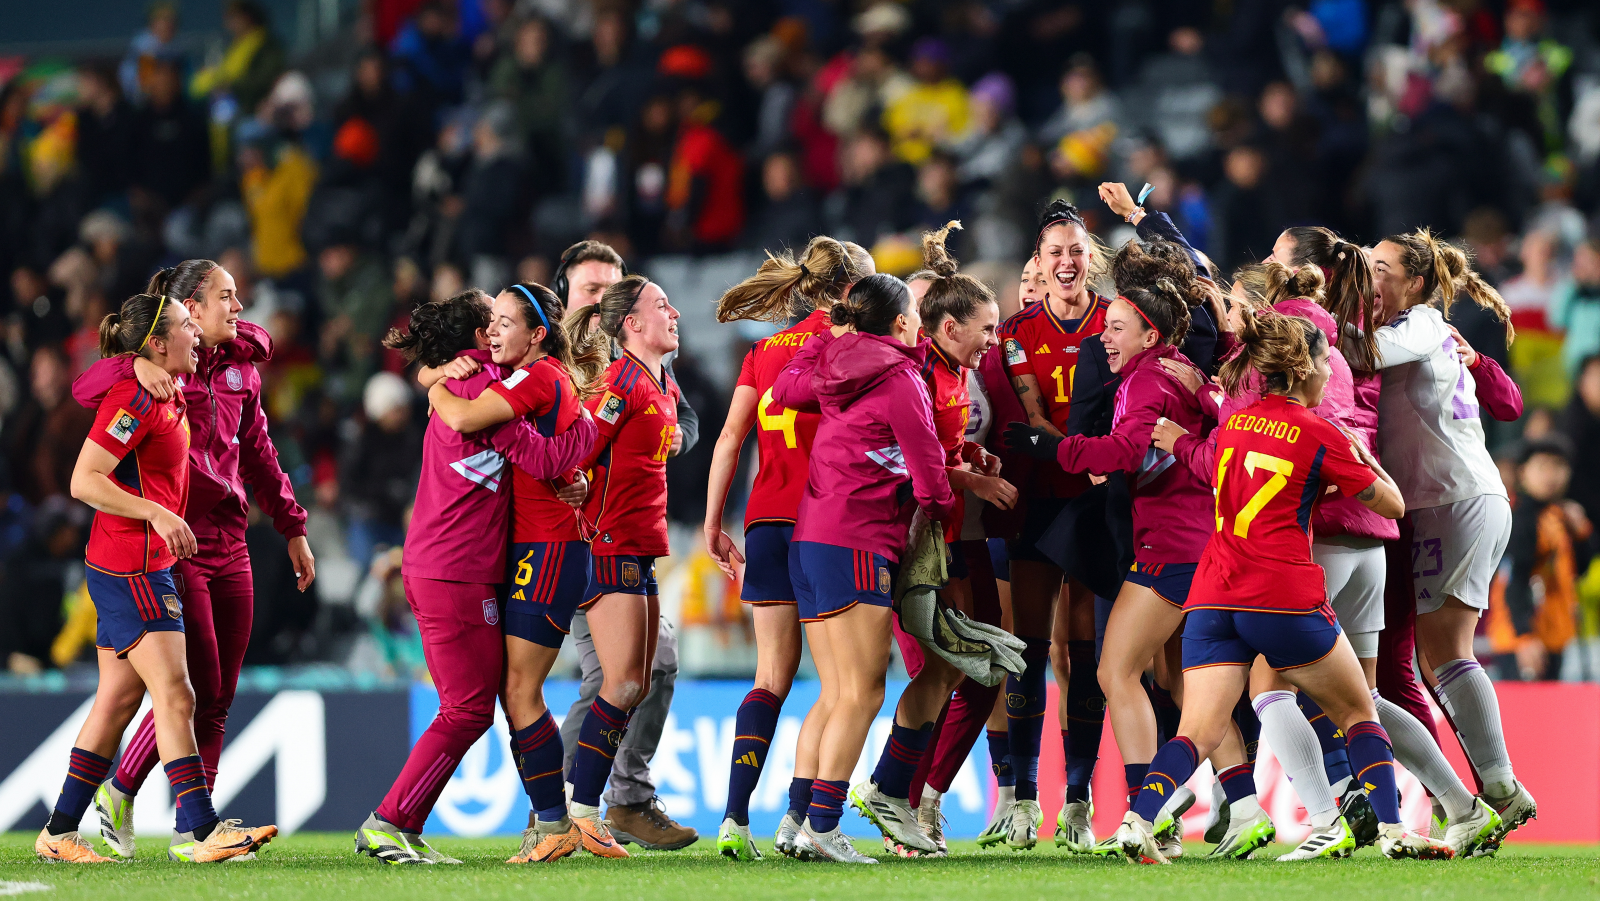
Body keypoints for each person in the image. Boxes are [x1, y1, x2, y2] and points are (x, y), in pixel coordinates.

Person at [1120, 307, 1453, 864]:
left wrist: (1179, 442)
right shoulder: (1321, 432)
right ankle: (1395, 831)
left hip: (1213, 595)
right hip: (1282, 596)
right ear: (1305, 370)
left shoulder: (1236, 422)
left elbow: (1213, 467)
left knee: (1197, 732)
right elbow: (1391, 506)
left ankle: (1137, 821)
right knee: (1357, 714)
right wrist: (1362, 459)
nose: (1332, 373)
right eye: (1328, 363)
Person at [71, 260, 312, 860]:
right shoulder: (153, 376)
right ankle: (189, 824)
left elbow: (257, 453)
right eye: (226, 297)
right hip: (174, 545)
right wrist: (135, 363)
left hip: (231, 540)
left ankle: (137, 800)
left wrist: (292, 526)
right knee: (187, 687)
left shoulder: (241, 372)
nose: (239, 307)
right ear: (189, 311)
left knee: (218, 691)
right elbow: (85, 389)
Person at [1005, 280, 1245, 857]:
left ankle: (1146, 810)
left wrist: (1053, 449)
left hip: (1172, 545)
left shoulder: (1144, 379)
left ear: (1149, 333)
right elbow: (1221, 417)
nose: (1104, 337)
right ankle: (1247, 806)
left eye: (1116, 328)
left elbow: (1125, 451)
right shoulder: (1187, 371)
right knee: (1186, 684)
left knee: (1117, 671)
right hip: (1200, 538)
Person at [355, 291, 596, 865]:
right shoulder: (481, 389)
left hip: (454, 567)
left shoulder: (472, 383)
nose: (499, 330)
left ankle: (412, 824)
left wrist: (430, 373)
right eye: (493, 321)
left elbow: (439, 384)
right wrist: (590, 428)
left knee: (487, 701)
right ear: (480, 337)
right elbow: (539, 459)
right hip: (452, 570)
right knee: (468, 707)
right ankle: (389, 822)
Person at [770, 274, 956, 863]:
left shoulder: (833, 362)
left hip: (812, 538)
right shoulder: (902, 380)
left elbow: (788, 388)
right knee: (863, 691)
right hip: (858, 541)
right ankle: (824, 826)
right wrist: (942, 514)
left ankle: (797, 821)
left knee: (834, 692)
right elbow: (930, 476)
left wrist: (820, 339)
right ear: (902, 324)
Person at [704, 237, 873, 861]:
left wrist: (712, 520)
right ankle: (802, 820)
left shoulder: (762, 352)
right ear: (853, 289)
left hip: (764, 521)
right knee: (840, 685)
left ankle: (733, 818)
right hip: (827, 525)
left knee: (770, 677)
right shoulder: (853, 348)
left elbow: (729, 438)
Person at [1368, 229, 1536, 847]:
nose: (1369, 276)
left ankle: (1498, 789)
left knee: (1446, 651)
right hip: (1449, 500)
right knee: (1434, 656)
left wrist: (1301, 330)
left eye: (1381, 267)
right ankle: (1485, 791)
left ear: (1415, 282)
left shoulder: (1418, 324)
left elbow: (1370, 356)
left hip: (1450, 499)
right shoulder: (1428, 331)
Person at [422, 282, 593, 864]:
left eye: (504, 321)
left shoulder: (537, 377)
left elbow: (467, 415)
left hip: (547, 551)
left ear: (537, 334)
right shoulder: (536, 380)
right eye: (489, 320)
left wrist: (437, 385)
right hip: (535, 550)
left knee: (520, 691)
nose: (491, 331)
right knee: (515, 691)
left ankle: (553, 825)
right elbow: (559, 456)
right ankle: (551, 823)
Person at [860, 224, 1014, 858]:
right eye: (986, 327)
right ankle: (883, 797)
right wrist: (969, 480)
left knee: (973, 666)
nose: (994, 340)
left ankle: (905, 794)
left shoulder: (951, 374)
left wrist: (966, 454)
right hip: (903, 536)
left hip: (940, 536)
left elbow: (934, 445)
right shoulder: (915, 373)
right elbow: (900, 451)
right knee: (933, 667)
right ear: (946, 327)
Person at [551, 242, 700, 850]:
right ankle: (572, 810)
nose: (676, 313)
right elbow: (576, 445)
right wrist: (570, 481)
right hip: (602, 543)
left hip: (638, 547)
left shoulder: (655, 378)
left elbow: (678, 425)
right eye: (662, 305)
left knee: (636, 681)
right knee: (617, 684)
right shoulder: (614, 380)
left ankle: (587, 810)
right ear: (631, 322)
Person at [989, 200, 1111, 850]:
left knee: (1085, 654)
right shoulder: (1014, 332)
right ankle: (1023, 796)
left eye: (1075, 250)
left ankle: (1081, 801)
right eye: (1054, 252)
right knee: (1029, 648)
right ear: (1038, 262)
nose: (1066, 261)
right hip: (1038, 499)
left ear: (1091, 257)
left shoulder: (1116, 323)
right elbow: (1030, 415)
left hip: (1092, 503)